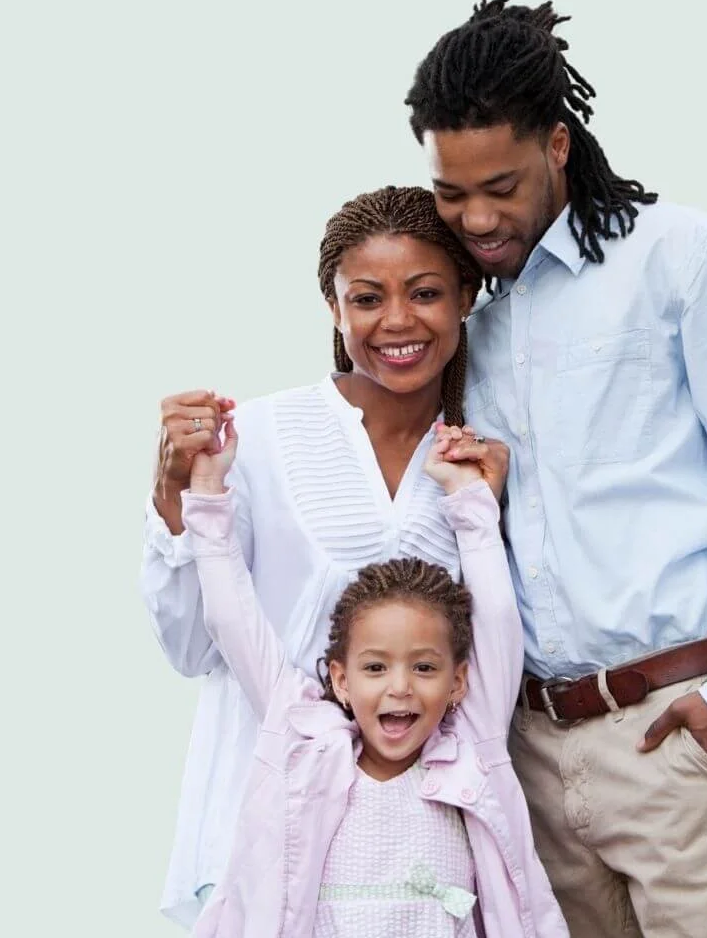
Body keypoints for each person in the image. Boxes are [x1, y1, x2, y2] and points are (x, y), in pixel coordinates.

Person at [405, 0, 707, 937]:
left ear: (558, 147)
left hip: (674, 734)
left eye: (501, 188)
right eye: (453, 193)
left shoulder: (683, 261)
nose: (477, 218)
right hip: (528, 750)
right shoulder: (465, 315)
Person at [141, 187, 493, 927]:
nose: (396, 321)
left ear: (466, 296)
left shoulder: (477, 457)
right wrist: (173, 491)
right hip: (264, 819)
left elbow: (486, 661)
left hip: (412, 851)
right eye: (366, 297)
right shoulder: (260, 437)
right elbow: (190, 646)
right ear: (334, 309)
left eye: (425, 292)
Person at [180, 412, 567, 937]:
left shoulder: (473, 750)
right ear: (340, 679)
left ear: (458, 682)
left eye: (425, 667)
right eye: (375, 667)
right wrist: (205, 491)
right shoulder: (305, 745)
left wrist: (470, 501)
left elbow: (497, 615)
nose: (400, 686)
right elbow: (231, 620)